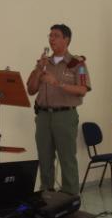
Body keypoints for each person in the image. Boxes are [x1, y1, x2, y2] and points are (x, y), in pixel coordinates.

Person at [26, 24, 91, 195]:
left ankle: (70, 197)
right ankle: (46, 195)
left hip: (65, 116)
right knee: (45, 159)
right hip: (43, 116)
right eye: (50, 35)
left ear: (66, 40)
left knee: (67, 159)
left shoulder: (77, 63)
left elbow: (83, 90)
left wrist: (58, 83)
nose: (51, 38)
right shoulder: (43, 63)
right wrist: (38, 69)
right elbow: (31, 90)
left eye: (56, 35)